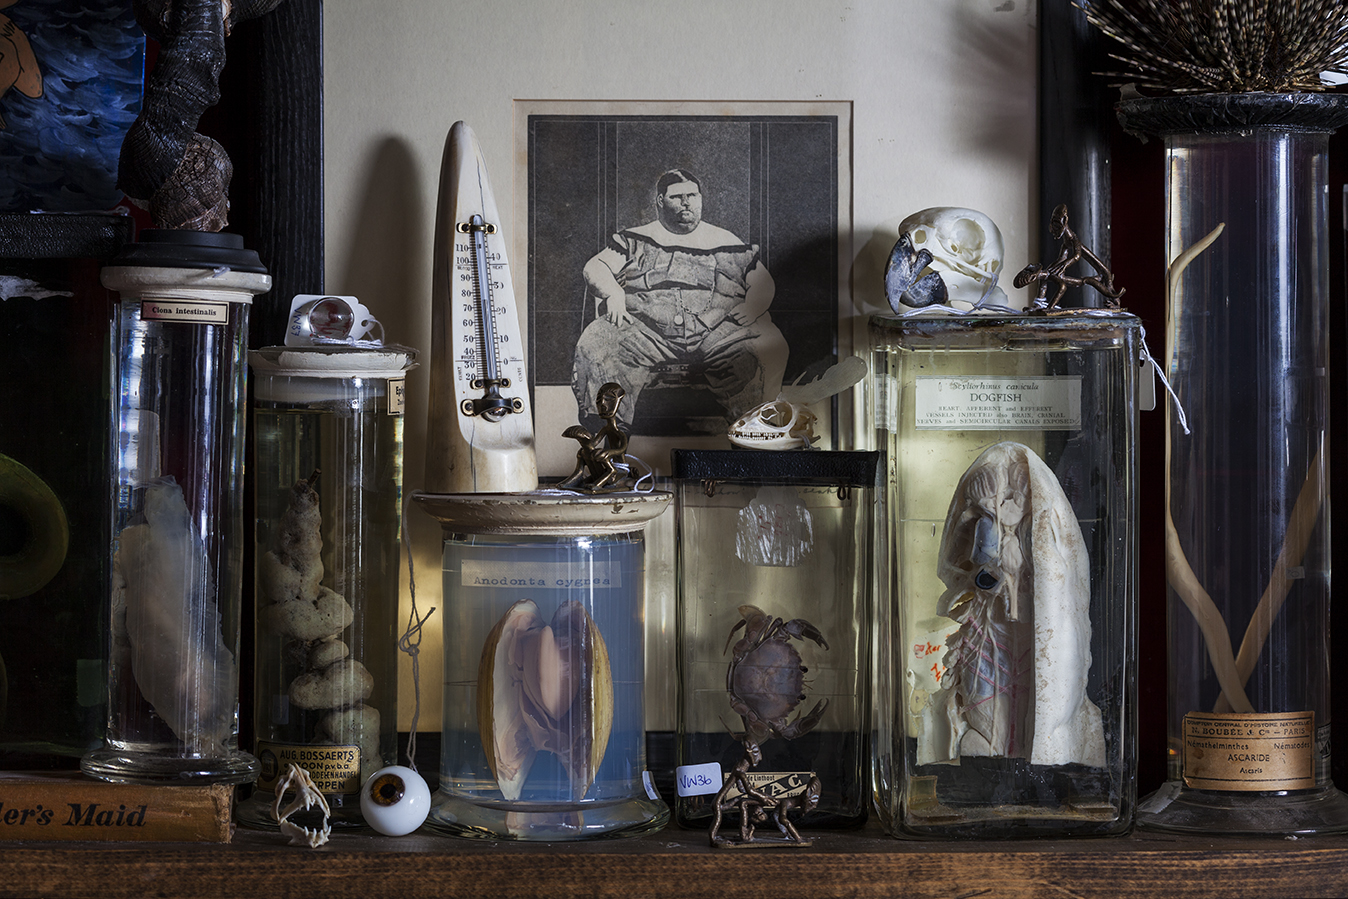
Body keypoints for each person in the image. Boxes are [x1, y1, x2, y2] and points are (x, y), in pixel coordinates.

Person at [571, 169, 787, 432]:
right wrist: (613, 293)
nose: (687, 202)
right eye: (678, 196)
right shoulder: (633, 239)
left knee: (766, 347)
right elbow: (595, 267)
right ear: (660, 201)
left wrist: (754, 306)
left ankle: (754, 433)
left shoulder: (727, 241)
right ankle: (610, 434)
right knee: (597, 341)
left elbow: (762, 281)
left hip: (720, 330)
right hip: (648, 333)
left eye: (692, 196)